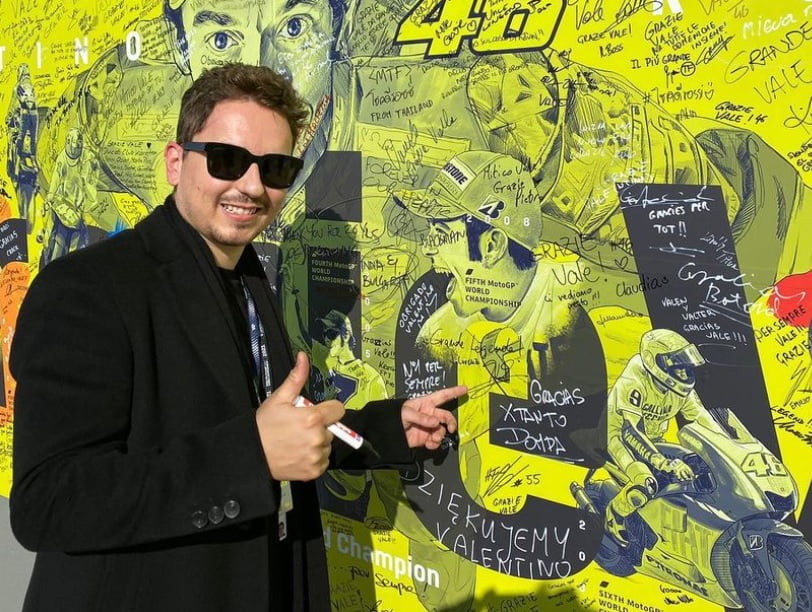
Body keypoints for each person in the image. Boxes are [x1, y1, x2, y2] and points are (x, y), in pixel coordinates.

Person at [9, 63, 465, 612]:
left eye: (275, 168)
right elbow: (48, 502)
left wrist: (385, 429)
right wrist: (252, 456)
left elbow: (272, 421)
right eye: (226, 159)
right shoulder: (88, 288)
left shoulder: (246, 277)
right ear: (175, 162)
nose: (251, 186)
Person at [604, 328, 726, 545]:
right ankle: (614, 515)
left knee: (699, 465)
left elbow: (701, 417)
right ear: (654, 361)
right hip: (617, 439)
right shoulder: (635, 379)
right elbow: (630, 431)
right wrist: (664, 463)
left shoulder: (680, 389)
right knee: (646, 484)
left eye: (685, 366)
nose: (683, 373)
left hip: (653, 441)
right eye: (676, 366)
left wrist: (729, 444)